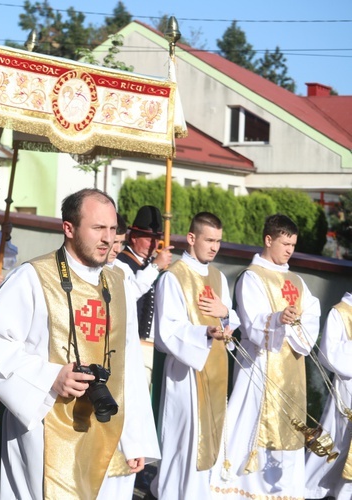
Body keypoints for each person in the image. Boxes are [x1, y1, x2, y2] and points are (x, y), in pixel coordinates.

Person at [0, 188, 159, 499]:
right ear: (69, 228)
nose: (108, 238)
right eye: (98, 228)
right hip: (46, 426)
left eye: (113, 229)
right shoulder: (33, 277)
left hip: (107, 424)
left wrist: (136, 438)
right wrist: (51, 376)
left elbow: (129, 365)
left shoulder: (120, 284)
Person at [212, 214, 321, 499]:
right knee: (250, 421)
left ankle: (284, 490)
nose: (289, 250)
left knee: (291, 424)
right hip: (259, 363)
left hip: (291, 366)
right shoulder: (251, 277)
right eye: (285, 243)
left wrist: (296, 323)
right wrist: (277, 318)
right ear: (268, 239)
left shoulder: (295, 280)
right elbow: (251, 322)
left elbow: (312, 313)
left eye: (293, 245)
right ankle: (241, 487)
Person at [150, 212, 240, 500]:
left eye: (218, 241)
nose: (214, 247)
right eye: (209, 240)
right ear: (191, 238)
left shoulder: (219, 277)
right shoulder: (173, 277)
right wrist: (204, 334)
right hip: (185, 375)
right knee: (185, 442)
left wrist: (225, 320)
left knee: (211, 437)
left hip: (215, 369)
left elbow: (230, 319)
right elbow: (167, 331)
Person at [304, 291, 352, 500]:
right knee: (339, 443)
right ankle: (310, 489)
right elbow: (329, 355)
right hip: (347, 388)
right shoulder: (340, 312)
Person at [116, 205, 173, 339]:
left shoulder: (154, 263)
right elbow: (131, 293)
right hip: (128, 338)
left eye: (157, 239)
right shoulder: (120, 262)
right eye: (149, 239)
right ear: (134, 237)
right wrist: (154, 267)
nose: (153, 245)